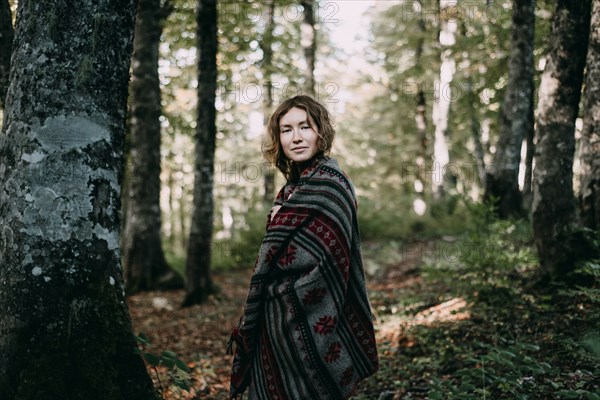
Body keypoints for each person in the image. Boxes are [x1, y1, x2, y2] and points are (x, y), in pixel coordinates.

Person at [227, 95, 379, 399]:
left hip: (306, 314)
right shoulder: (290, 189)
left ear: (320, 132)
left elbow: (329, 261)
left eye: (304, 127)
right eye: (286, 130)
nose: (296, 138)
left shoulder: (331, 184)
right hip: (273, 324)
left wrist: (281, 293)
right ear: (278, 138)